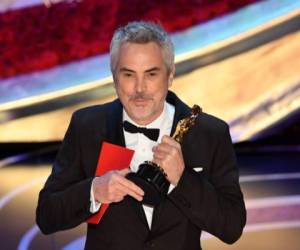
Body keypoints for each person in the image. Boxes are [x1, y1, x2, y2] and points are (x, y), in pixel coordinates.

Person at [36, 21, 246, 250]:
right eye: (128, 75)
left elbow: (232, 226)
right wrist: (94, 191)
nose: (140, 89)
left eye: (151, 74)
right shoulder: (86, 127)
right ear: (114, 77)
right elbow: (47, 215)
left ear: (170, 75)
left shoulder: (208, 133)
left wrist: (182, 180)